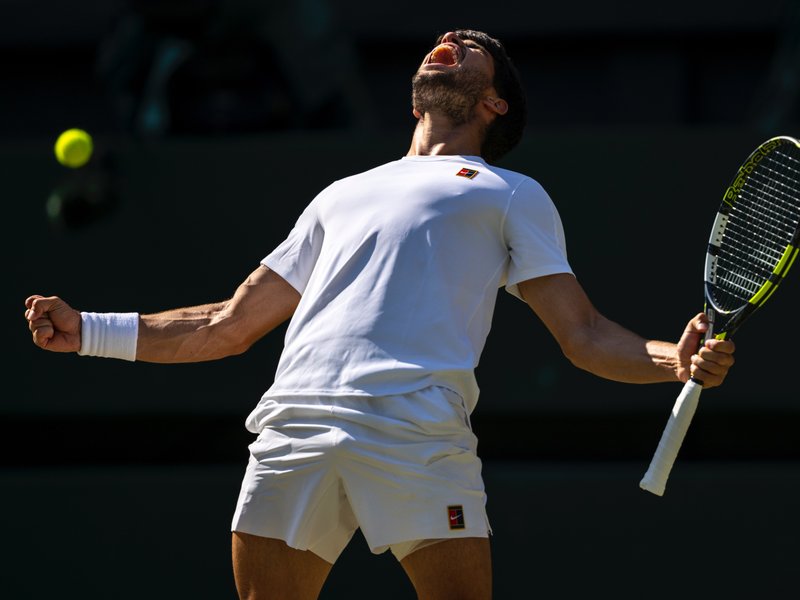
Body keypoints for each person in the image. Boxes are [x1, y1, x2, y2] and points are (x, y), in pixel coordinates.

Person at [24, 29, 736, 600]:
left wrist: (673, 361)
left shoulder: (510, 193)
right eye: (446, 38)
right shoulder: (340, 194)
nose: (450, 40)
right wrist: (88, 331)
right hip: (295, 425)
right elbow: (228, 324)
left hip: (414, 429)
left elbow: (583, 334)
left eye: (473, 46)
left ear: (494, 103)